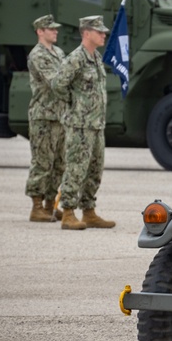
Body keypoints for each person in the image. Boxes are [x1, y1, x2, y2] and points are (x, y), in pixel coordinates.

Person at [52, 15, 116, 230]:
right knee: (76, 168)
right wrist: (74, 103)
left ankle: (88, 211)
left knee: (95, 169)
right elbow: (58, 85)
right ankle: (68, 213)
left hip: (96, 124)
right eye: (99, 31)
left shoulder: (96, 57)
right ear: (87, 33)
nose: (103, 34)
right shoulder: (76, 58)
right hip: (80, 125)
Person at [24, 14, 67, 222]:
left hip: (59, 116)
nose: (55, 31)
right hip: (43, 116)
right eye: (50, 29)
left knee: (59, 163)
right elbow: (56, 81)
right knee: (42, 162)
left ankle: (50, 205)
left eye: (55, 28)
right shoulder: (38, 55)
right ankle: (36, 207)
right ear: (40, 31)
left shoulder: (58, 52)